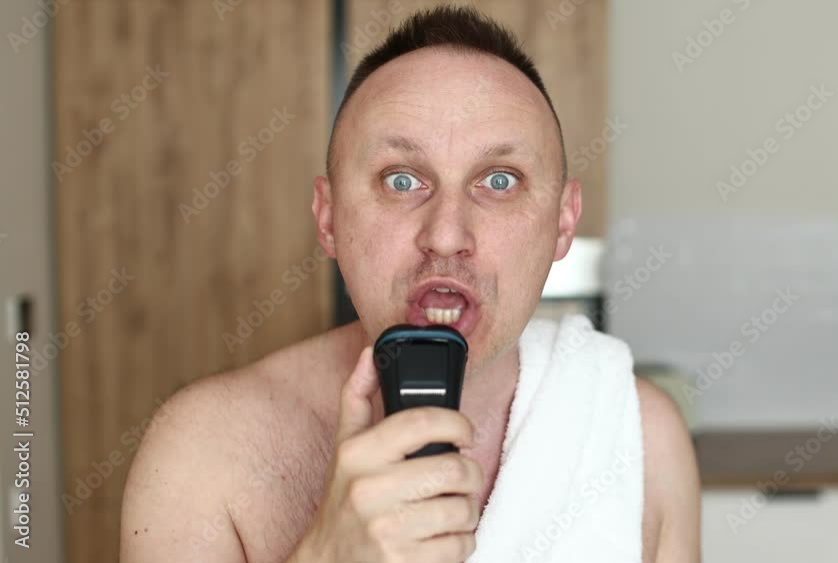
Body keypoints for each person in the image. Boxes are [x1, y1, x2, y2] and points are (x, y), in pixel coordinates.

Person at [120, 5, 699, 562]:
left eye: (500, 180)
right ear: (329, 218)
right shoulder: (203, 452)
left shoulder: (638, 435)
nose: (445, 236)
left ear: (563, 224)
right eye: (401, 180)